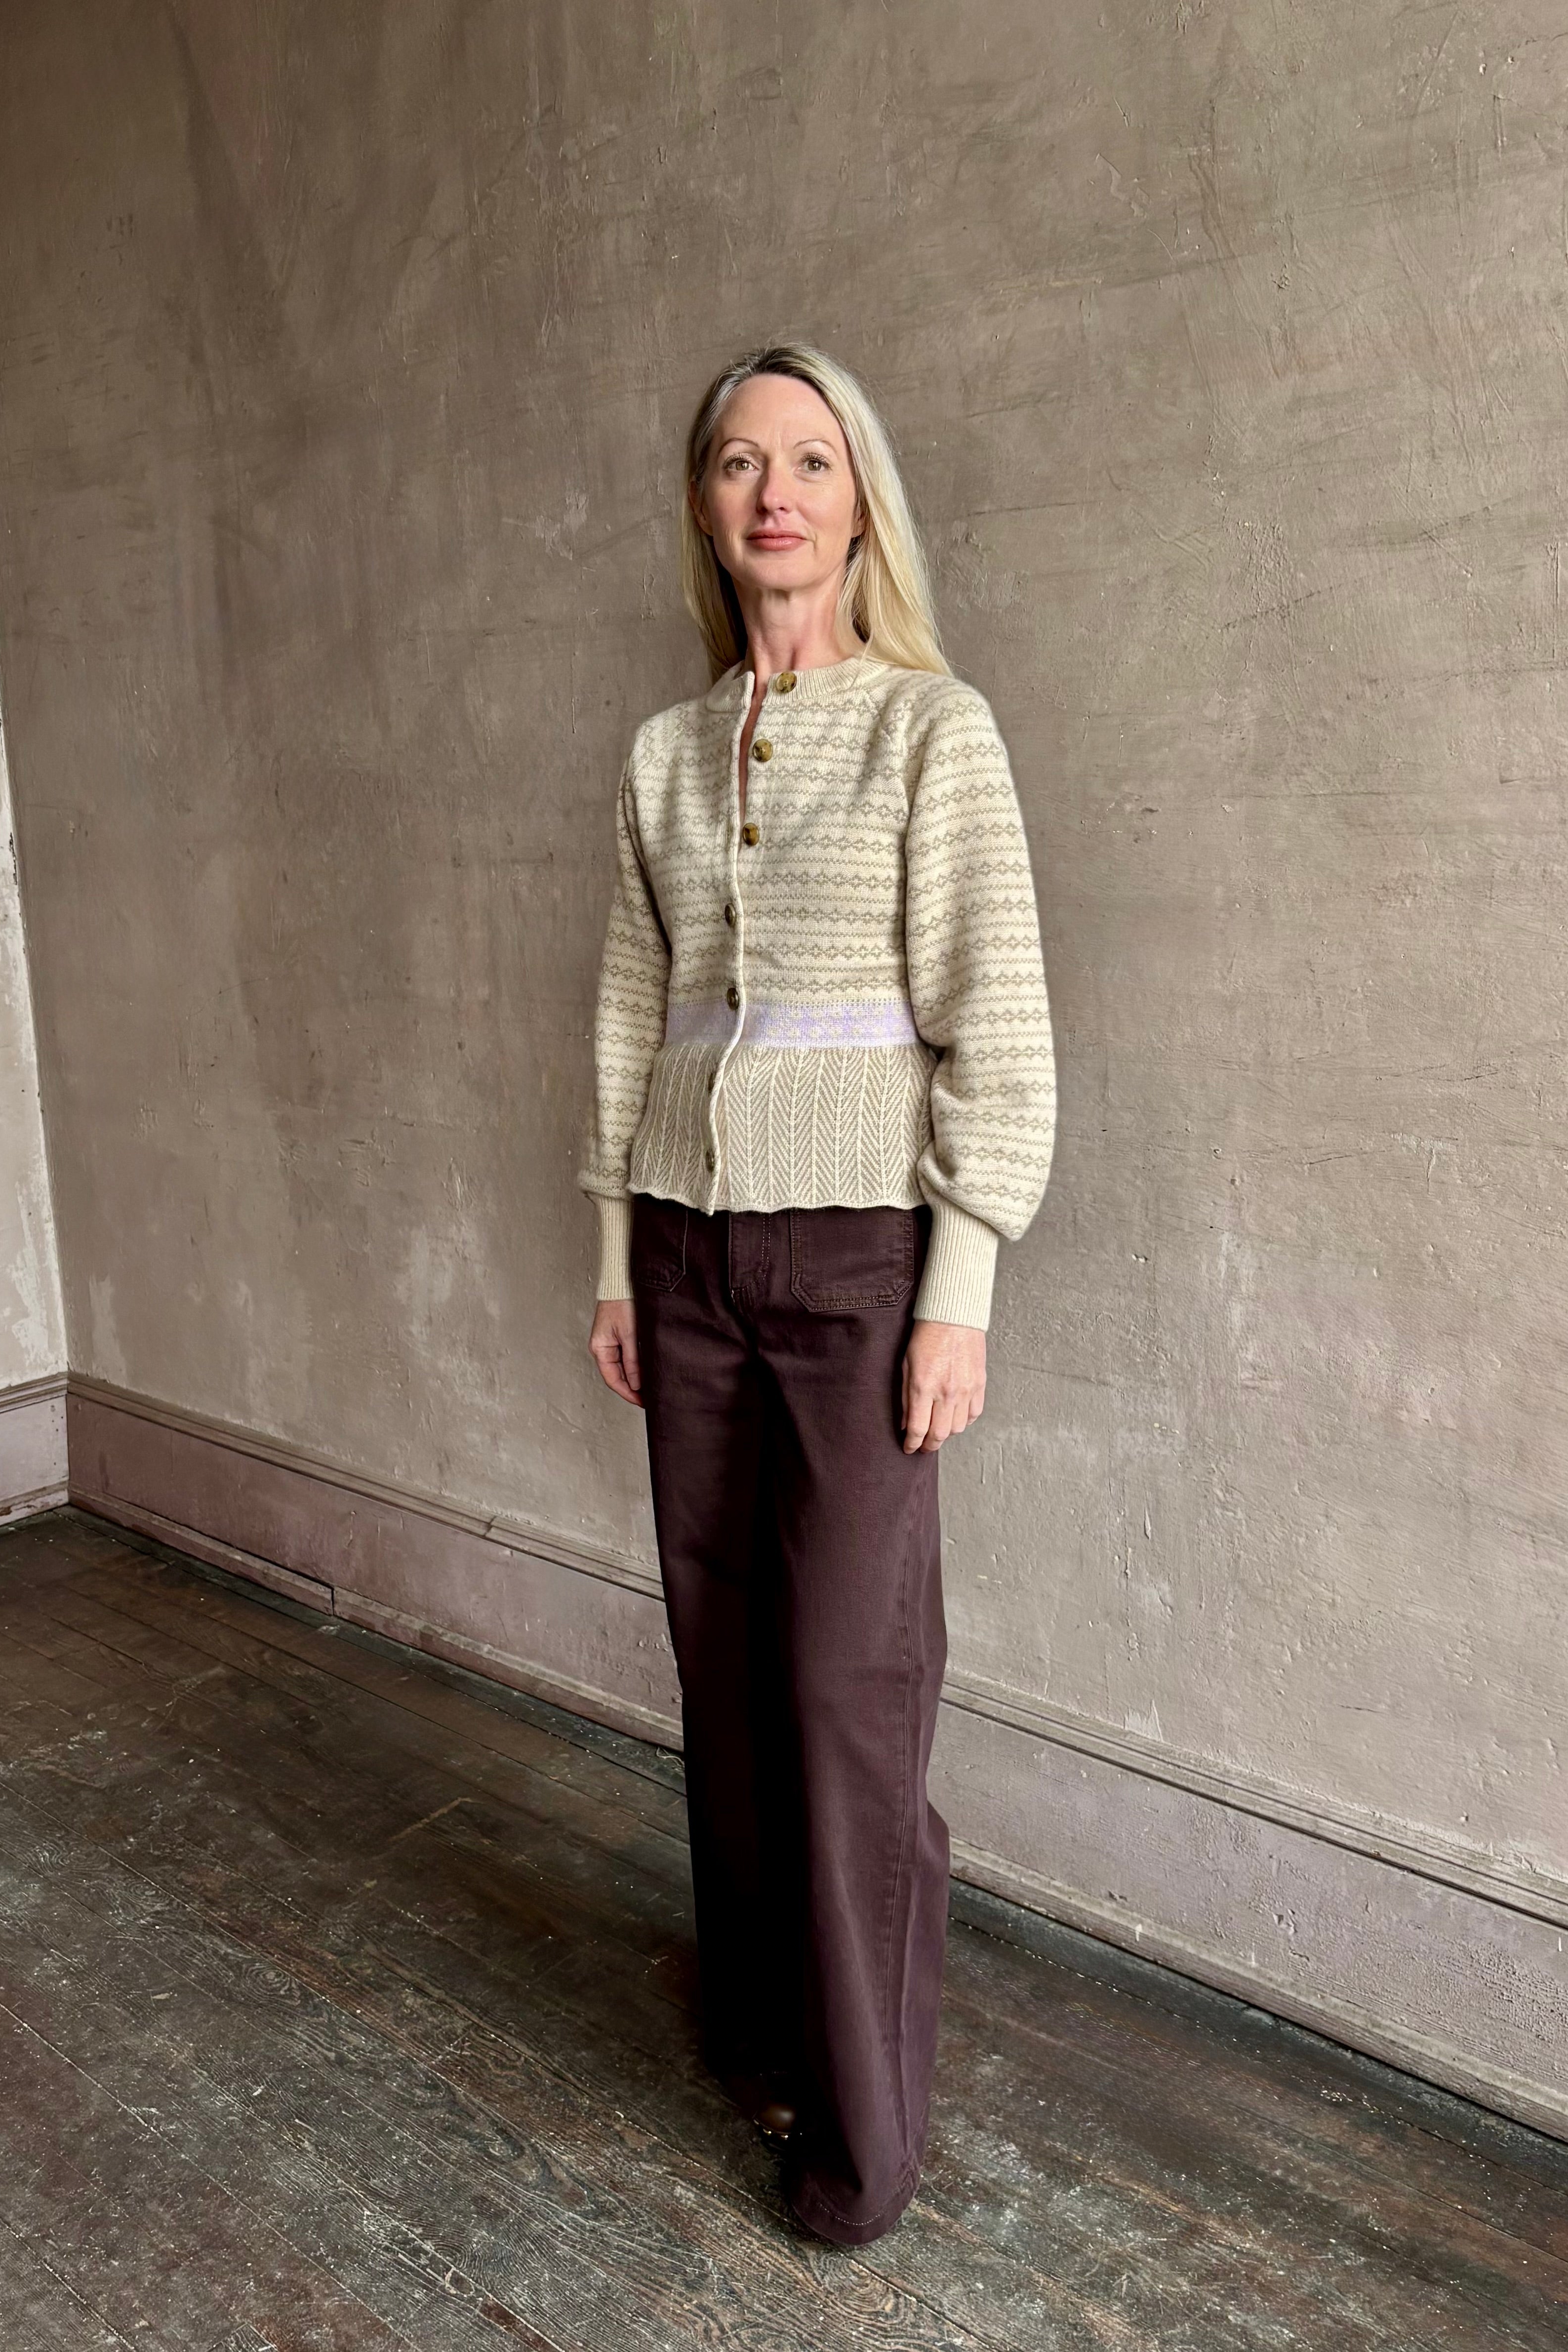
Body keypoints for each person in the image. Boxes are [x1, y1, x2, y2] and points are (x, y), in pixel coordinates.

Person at [577, 341, 1055, 2246]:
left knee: (847, 1686)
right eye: (735, 461)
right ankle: (764, 2030)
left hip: (864, 1266)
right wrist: (613, 1259)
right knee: (724, 1664)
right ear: (704, 506)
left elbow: (995, 1022)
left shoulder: (934, 731)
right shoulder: (663, 754)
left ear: (860, 503)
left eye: (809, 459)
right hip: (684, 1255)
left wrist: (961, 1287)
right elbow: (630, 1017)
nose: (772, 492)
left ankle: (865, 2140)